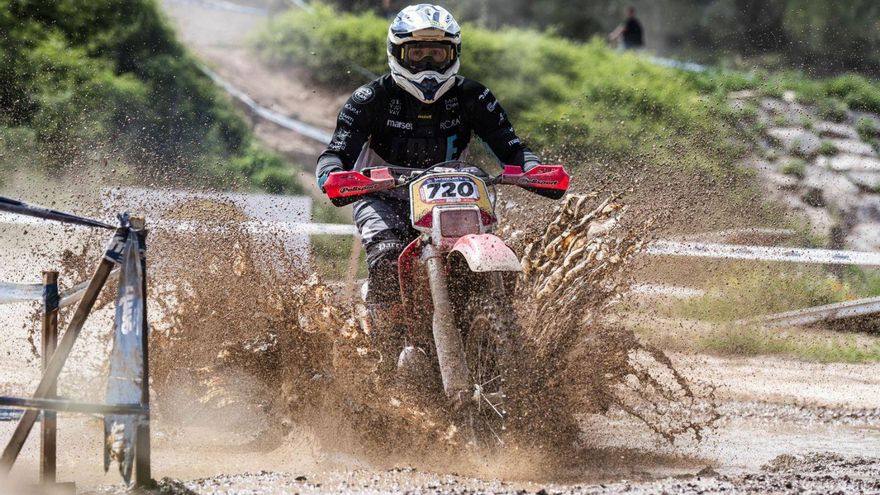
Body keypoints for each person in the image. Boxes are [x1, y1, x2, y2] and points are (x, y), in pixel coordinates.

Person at [316, 4, 540, 347]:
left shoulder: (473, 96)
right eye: (417, 54)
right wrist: (334, 174)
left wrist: (533, 167)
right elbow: (336, 153)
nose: (428, 65)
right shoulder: (370, 99)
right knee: (388, 254)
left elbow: (512, 148)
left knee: (494, 261)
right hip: (382, 196)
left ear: (454, 53)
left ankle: (496, 332)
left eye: (438, 54)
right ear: (397, 53)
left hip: (456, 197)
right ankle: (385, 347)